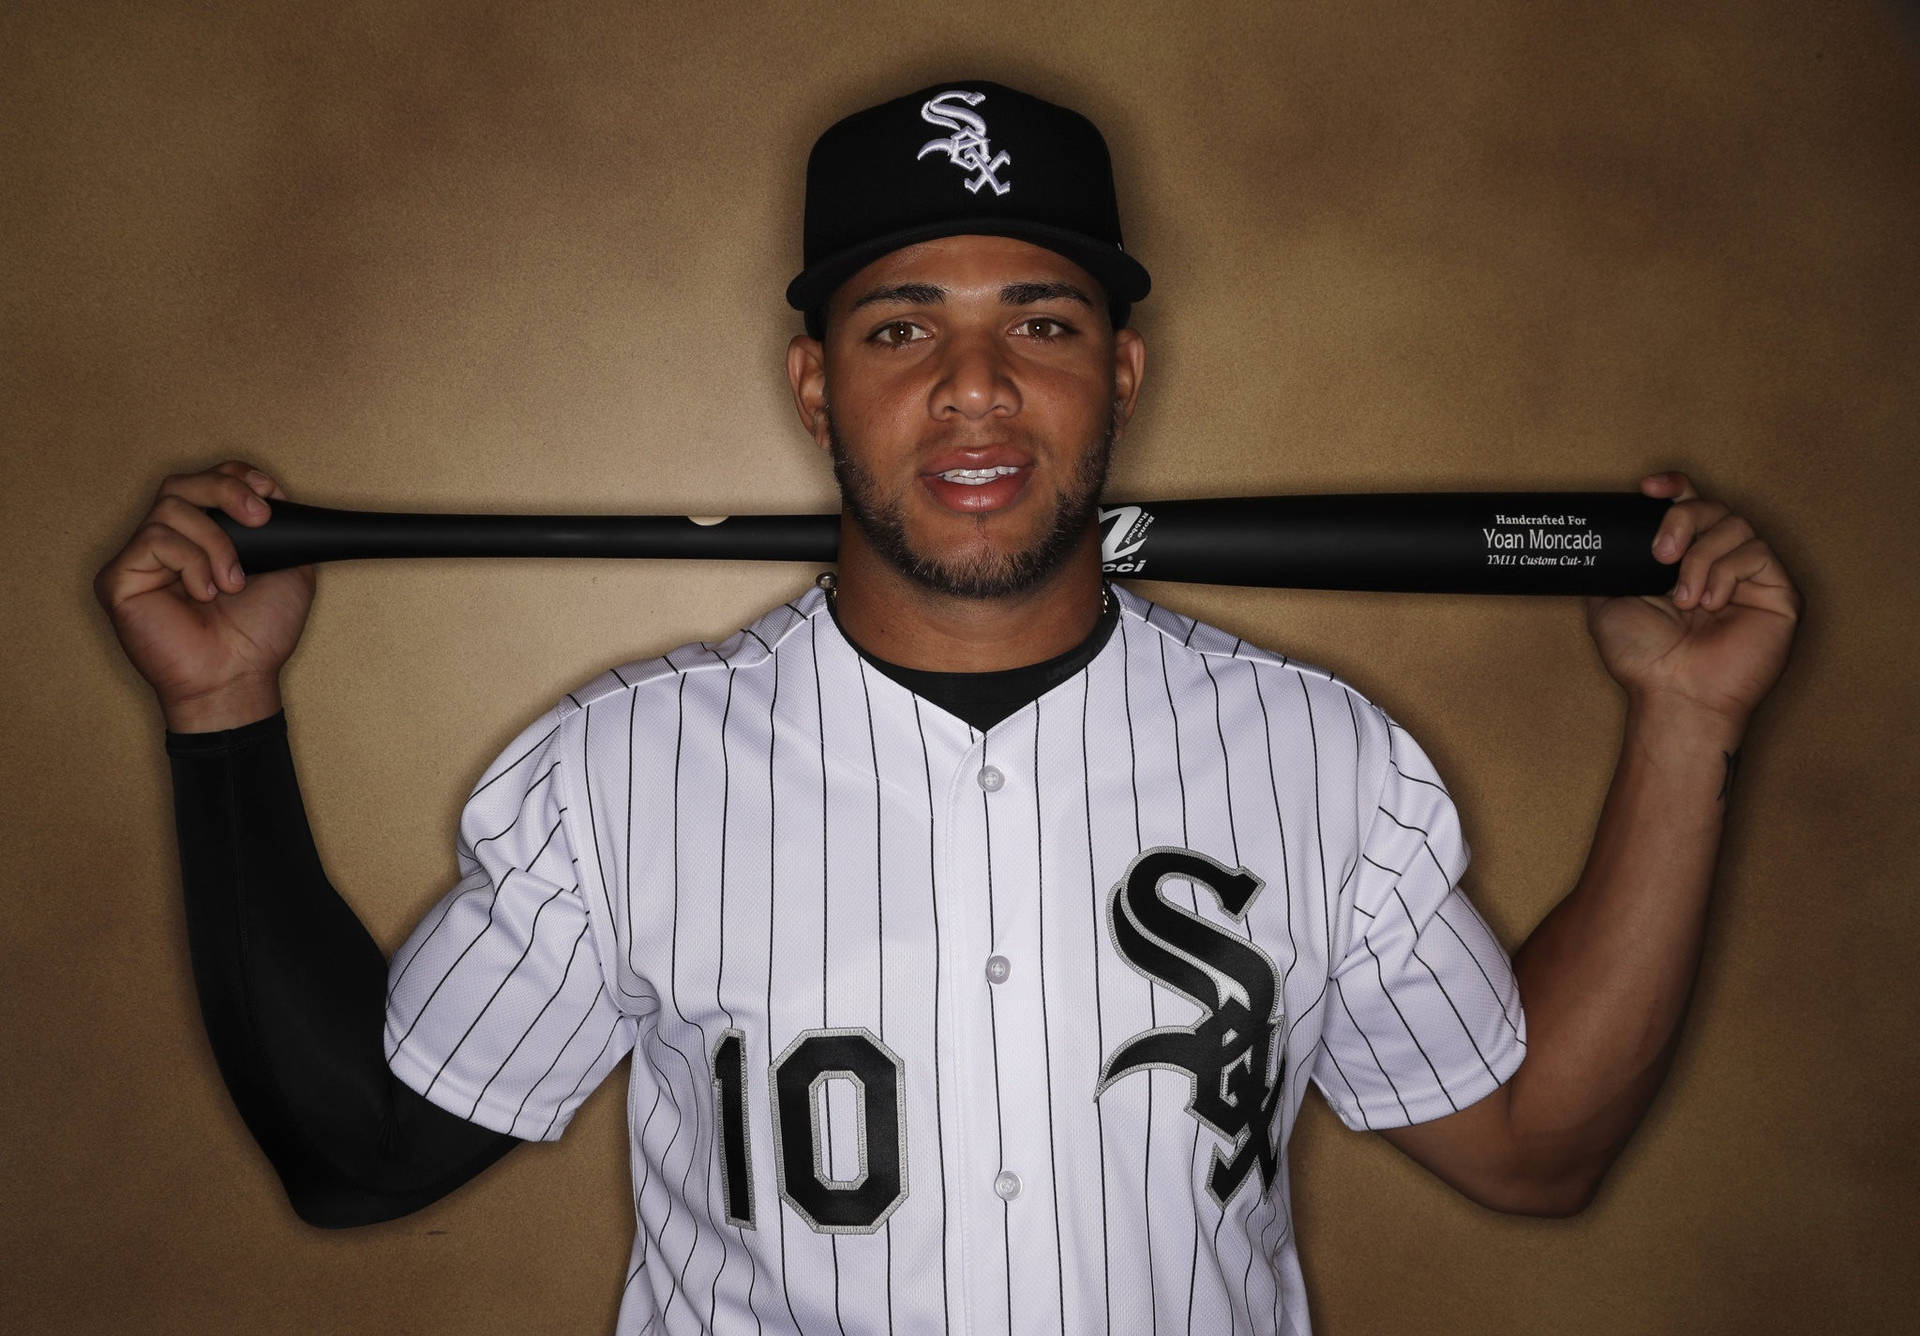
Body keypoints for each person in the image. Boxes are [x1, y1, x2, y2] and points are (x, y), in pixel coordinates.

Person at [94, 80, 1800, 1335]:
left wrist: (1686, 725)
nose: (975, 386)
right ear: (816, 380)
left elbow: (1527, 1149)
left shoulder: (1318, 755)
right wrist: (227, 707)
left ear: (1118, 371)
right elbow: (356, 1153)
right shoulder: (618, 773)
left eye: (1038, 320)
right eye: (902, 324)